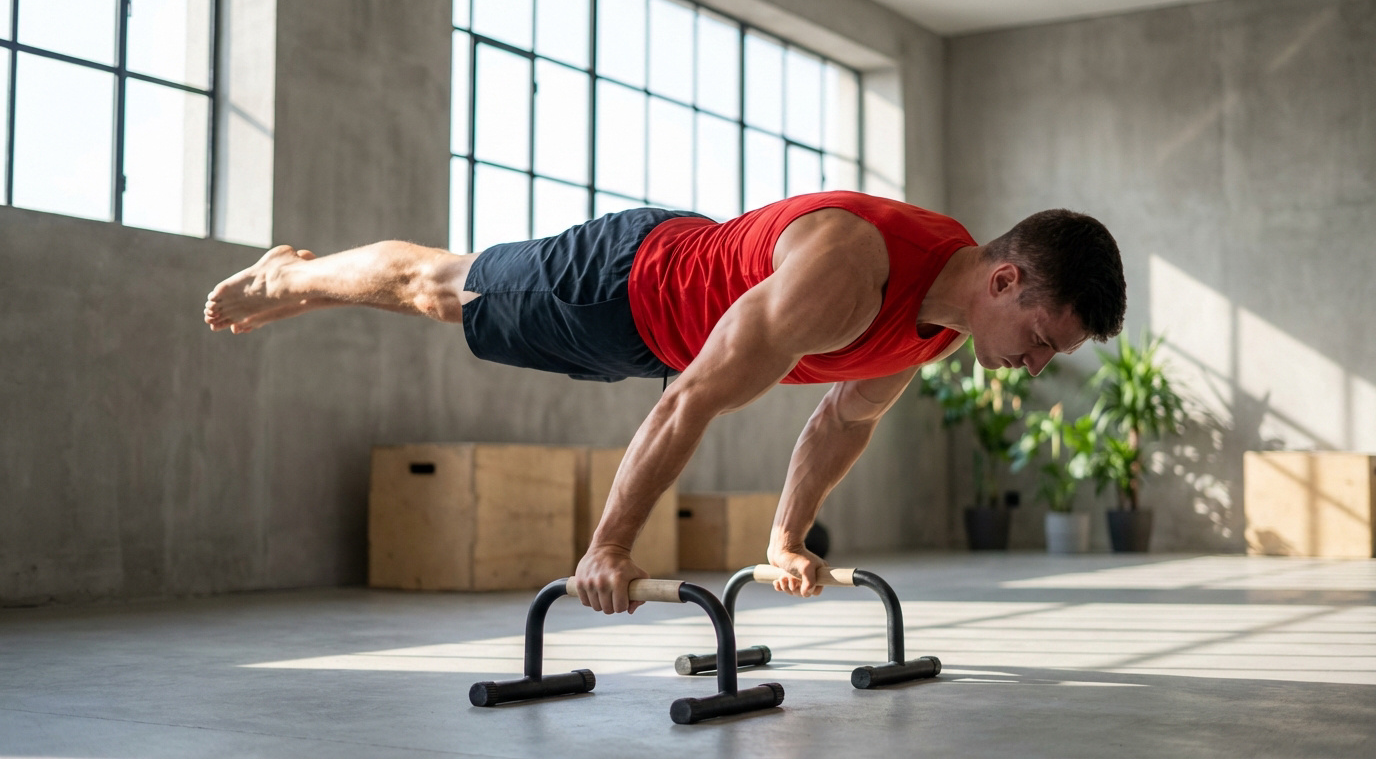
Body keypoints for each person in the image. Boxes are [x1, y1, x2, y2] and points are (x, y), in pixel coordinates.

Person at [204, 191, 1126, 614]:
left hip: (662, 326)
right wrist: (607, 547)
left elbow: (841, 420)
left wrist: (785, 539)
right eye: (1042, 339)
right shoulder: (847, 273)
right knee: (438, 288)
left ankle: (298, 278)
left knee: (443, 291)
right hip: (623, 287)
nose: (1036, 366)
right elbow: (690, 403)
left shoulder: (941, 323)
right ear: (1004, 280)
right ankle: (293, 276)